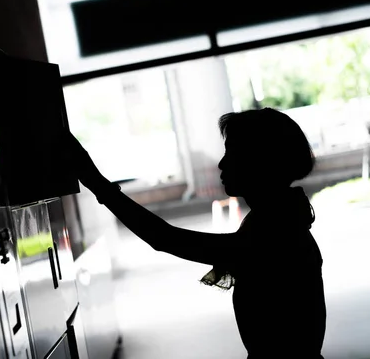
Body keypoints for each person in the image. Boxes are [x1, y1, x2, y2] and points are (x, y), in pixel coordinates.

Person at [65, 107, 326, 359]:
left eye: (232, 152)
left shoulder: (273, 233)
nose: (222, 163)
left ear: (261, 161)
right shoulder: (281, 219)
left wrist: (96, 182)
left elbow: (164, 238)